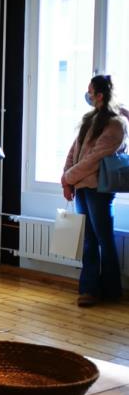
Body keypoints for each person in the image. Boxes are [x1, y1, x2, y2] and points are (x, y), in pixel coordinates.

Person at [61, 75, 128, 307]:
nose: (87, 95)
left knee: (103, 239)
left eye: (90, 91)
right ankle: (89, 289)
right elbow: (74, 150)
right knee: (89, 240)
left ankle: (110, 290)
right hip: (82, 186)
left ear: (100, 95)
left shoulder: (116, 124)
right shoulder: (90, 119)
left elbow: (95, 159)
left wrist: (68, 177)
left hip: (99, 190)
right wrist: (66, 179)